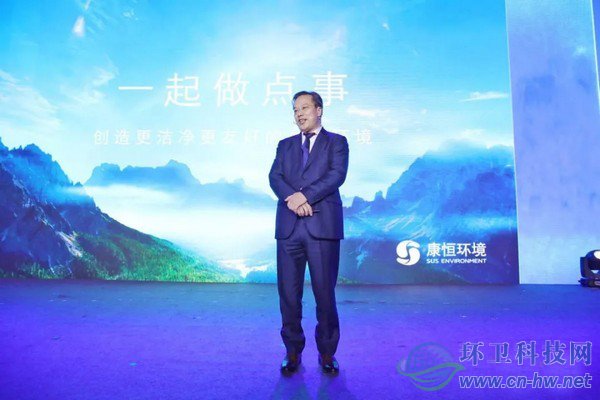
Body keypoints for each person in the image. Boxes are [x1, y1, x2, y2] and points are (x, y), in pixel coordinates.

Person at [268, 91, 349, 375]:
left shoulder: (337, 142)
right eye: (295, 109)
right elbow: (275, 177)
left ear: (319, 110)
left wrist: (304, 196)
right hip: (288, 229)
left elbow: (336, 176)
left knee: (324, 294)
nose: (299, 113)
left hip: (322, 228)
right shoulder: (285, 145)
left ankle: (327, 353)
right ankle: (292, 351)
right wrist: (292, 199)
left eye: (304, 107)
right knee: (288, 295)